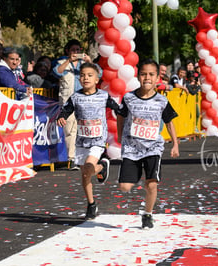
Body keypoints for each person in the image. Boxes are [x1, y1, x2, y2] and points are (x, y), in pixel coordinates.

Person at [117, 58, 179, 229]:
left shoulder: (162, 100)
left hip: (153, 147)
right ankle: (135, 172)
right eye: (143, 74)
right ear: (138, 76)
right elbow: (120, 116)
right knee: (125, 187)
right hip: (131, 147)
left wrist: (175, 144)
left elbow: (169, 122)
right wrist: (120, 135)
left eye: (151, 74)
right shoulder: (129, 98)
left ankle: (148, 214)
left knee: (151, 184)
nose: (147, 78)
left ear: (158, 78)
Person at [56, 63, 121, 220]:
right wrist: (61, 118)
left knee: (89, 168)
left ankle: (100, 166)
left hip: (98, 140)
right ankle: (91, 204)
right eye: (83, 75)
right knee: (85, 175)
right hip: (82, 141)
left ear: (97, 79)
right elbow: (65, 110)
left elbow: (119, 109)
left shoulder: (103, 96)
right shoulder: (75, 97)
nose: (86, 78)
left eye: (90, 75)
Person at [53, 39, 94, 170]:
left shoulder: (84, 64)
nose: (76, 53)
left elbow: (99, 73)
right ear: (68, 51)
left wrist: (90, 62)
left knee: (83, 130)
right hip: (67, 102)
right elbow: (57, 72)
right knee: (70, 130)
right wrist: (68, 61)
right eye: (73, 50)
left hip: (84, 100)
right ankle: (72, 159)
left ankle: (83, 158)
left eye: (78, 50)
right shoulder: (62, 62)